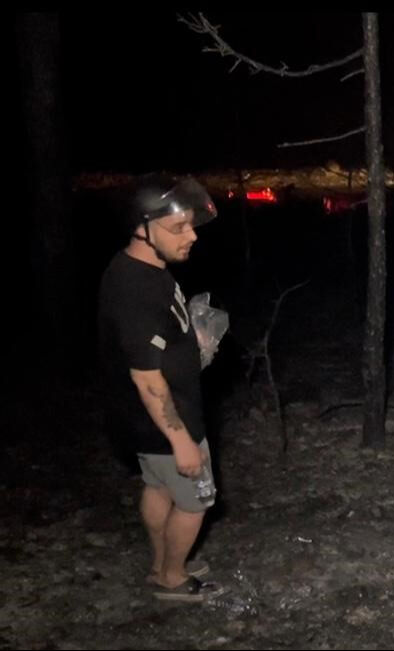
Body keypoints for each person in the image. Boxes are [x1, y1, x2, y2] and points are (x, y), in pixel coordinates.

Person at [98, 174, 224, 602]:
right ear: (142, 228)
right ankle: (171, 576)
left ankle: (161, 561)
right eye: (177, 228)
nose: (191, 236)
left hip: (141, 424)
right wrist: (182, 441)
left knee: (159, 487)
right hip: (167, 421)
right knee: (195, 501)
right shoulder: (134, 290)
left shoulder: (143, 269)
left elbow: (154, 342)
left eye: (190, 224)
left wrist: (191, 342)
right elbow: (148, 379)